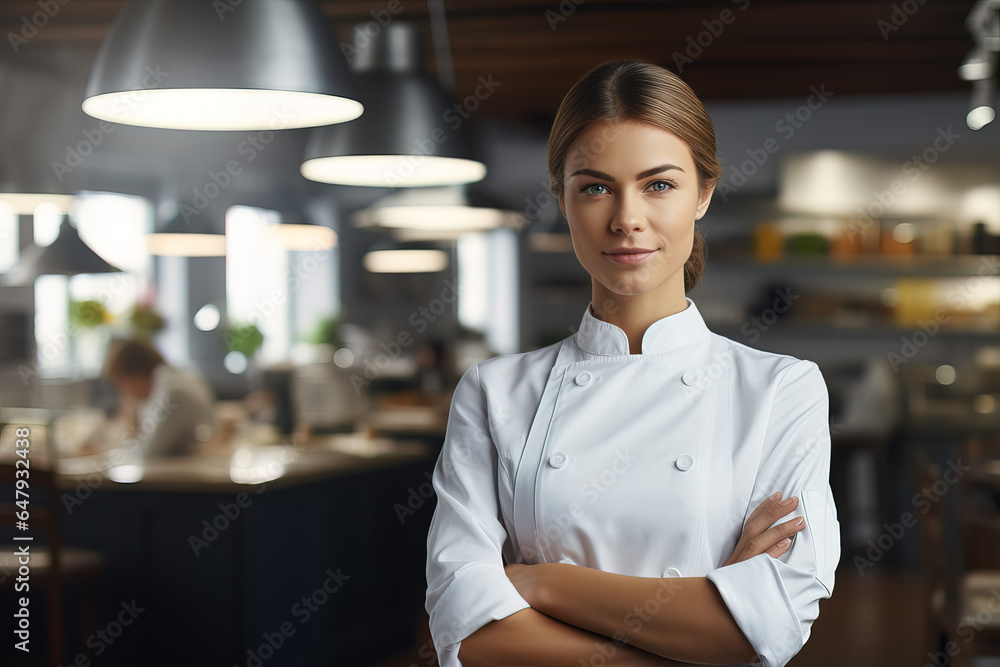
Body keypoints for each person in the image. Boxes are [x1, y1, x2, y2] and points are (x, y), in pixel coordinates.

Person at [424, 60, 840, 667]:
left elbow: (770, 622)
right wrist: (700, 629)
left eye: (659, 184)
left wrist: (539, 584)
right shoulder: (493, 391)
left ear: (703, 193)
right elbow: (468, 630)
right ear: (562, 202)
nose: (626, 219)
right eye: (594, 186)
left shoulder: (782, 389)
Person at [103, 338, 217, 458]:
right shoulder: (166, 382)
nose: (123, 393)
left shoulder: (174, 393)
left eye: (120, 384)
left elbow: (150, 451)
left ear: (135, 375)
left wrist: (104, 455)